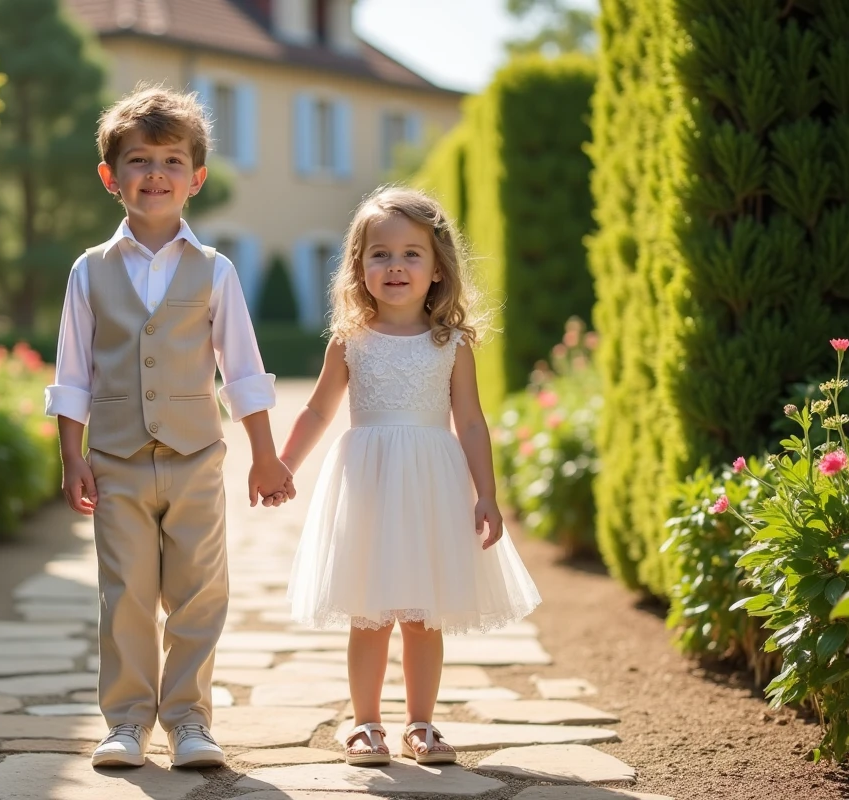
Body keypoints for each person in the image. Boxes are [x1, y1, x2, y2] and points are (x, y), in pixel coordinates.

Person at [46, 84, 295, 769]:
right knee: (124, 593)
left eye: (171, 160)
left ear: (197, 178)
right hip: (118, 460)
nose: (155, 173)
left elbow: (243, 370)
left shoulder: (215, 272)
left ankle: (189, 720)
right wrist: (73, 457)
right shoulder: (89, 271)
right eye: (137, 160)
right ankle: (127, 721)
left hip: (195, 458)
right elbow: (72, 374)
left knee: (197, 593)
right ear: (110, 176)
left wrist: (265, 457)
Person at [279, 186, 541, 766]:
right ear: (359, 266)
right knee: (369, 612)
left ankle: (420, 724)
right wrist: (284, 465)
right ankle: (365, 723)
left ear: (438, 267)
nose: (395, 265)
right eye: (380, 254)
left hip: (432, 486)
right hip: (368, 484)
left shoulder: (451, 343)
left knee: (424, 615)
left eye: (410, 253)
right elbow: (319, 409)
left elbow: (470, 422)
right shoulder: (351, 341)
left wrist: (487, 495)